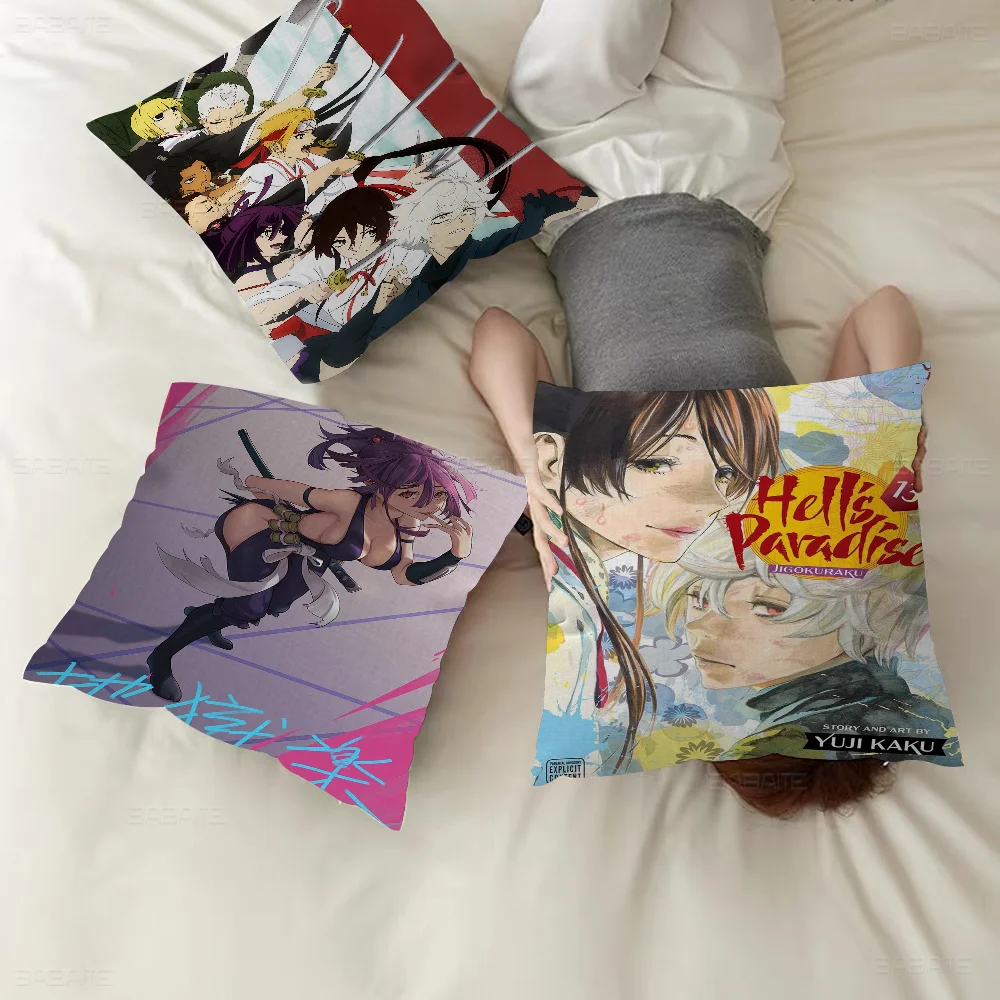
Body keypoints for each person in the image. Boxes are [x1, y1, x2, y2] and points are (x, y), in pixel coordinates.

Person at [469, 0, 930, 815]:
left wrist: (543, 487)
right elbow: (883, 308)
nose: (713, 632)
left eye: (708, 666)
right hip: (734, 160)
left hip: (584, 164)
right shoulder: (824, 491)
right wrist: (898, 433)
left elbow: (497, 335)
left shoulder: (615, 544)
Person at [146, 425, 478, 703]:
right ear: (383, 487)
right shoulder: (348, 503)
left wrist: (453, 556)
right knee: (248, 608)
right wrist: (261, 487)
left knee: (273, 607)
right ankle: (161, 657)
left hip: (310, 558)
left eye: (434, 496)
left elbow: (403, 574)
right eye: (409, 494)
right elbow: (286, 489)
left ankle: (210, 616)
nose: (425, 505)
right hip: (265, 533)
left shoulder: (408, 522)